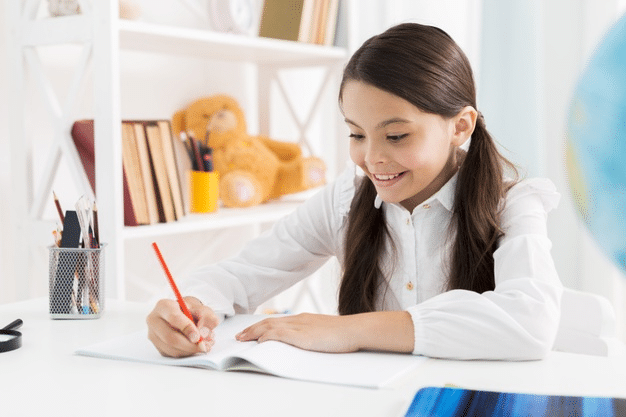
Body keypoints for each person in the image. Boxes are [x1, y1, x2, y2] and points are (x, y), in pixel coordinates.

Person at [147, 23, 562, 360]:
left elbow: (530, 322)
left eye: (396, 136)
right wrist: (190, 306)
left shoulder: (512, 204)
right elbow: (242, 273)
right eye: (356, 134)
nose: (372, 158)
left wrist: (349, 330)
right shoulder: (346, 199)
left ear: (460, 126)